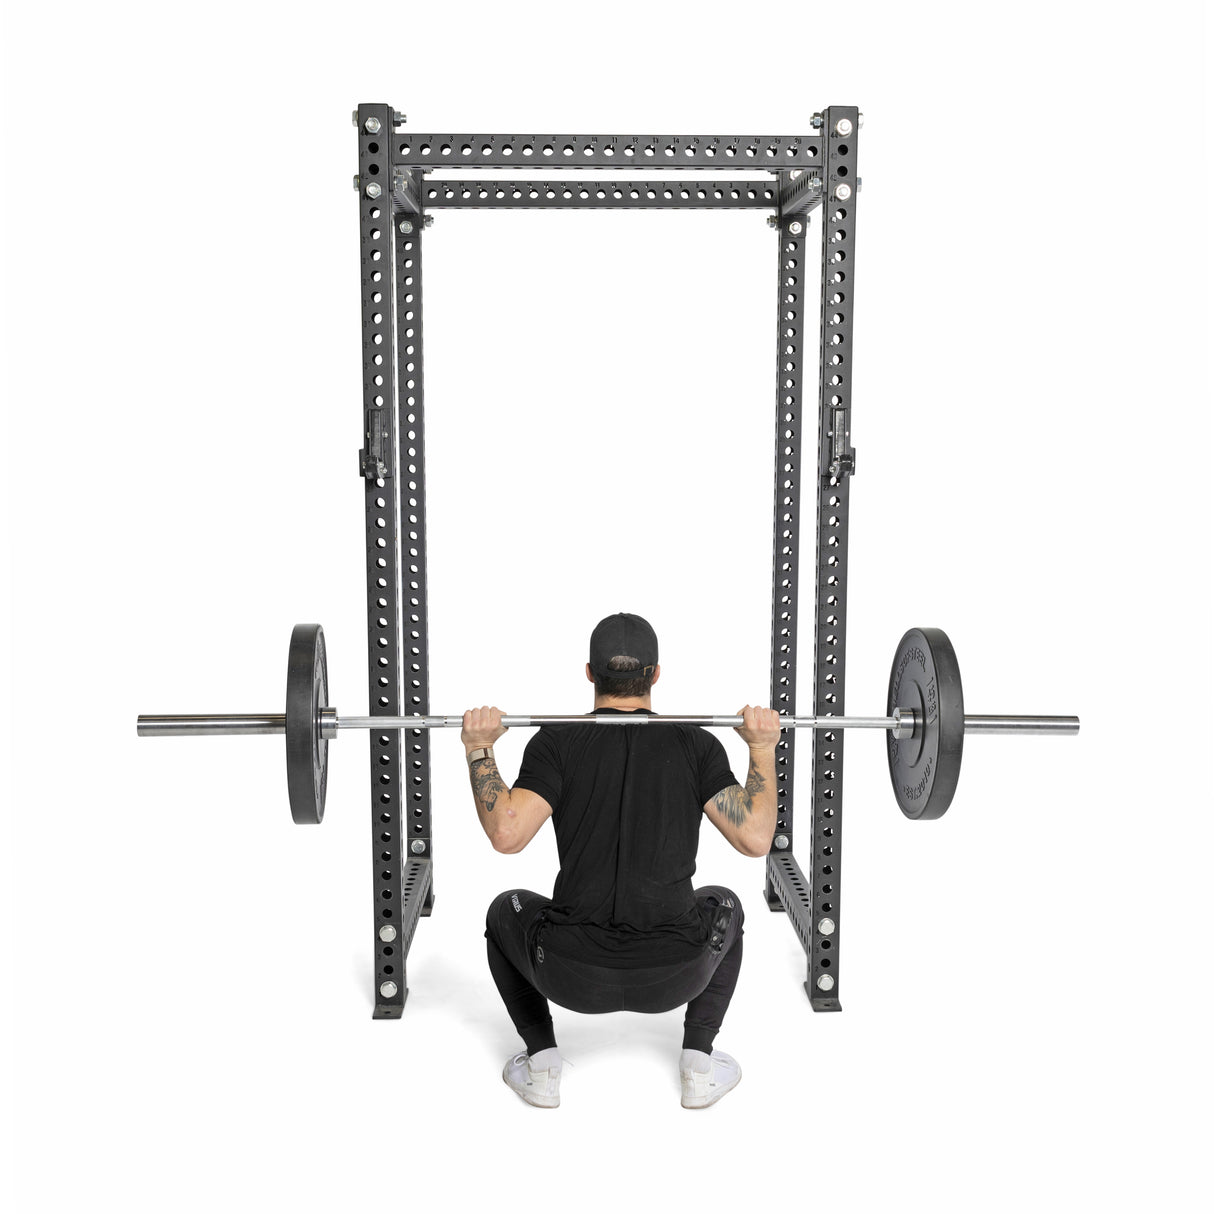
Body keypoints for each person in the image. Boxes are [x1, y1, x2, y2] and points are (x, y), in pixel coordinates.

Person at [463, 612, 780, 1109]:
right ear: (656, 675)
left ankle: (543, 1064)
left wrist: (480, 746)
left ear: (589, 673)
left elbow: (507, 833)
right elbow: (756, 839)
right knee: (727, 906)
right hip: (676, 974)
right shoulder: (696, 744)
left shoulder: (556, 742)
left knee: (506, 909)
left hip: (569, 973)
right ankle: (699, 1065)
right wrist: (761, 747)